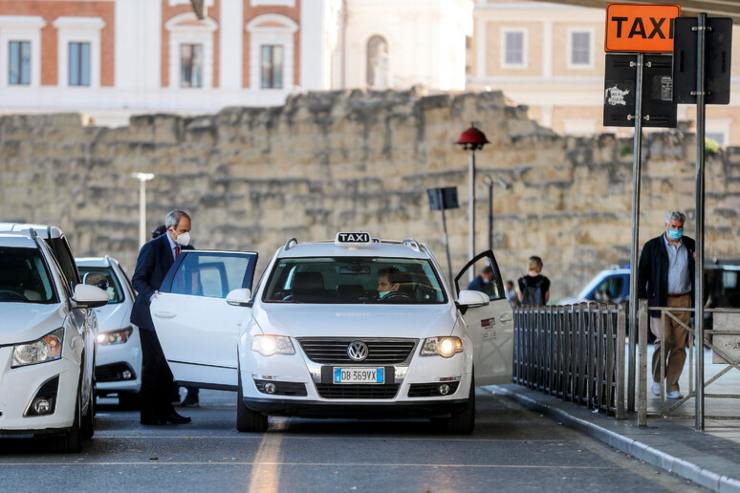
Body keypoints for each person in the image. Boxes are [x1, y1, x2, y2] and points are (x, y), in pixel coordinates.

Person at [131, 209, 194, 425]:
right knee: (153, 364)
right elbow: (138, 279)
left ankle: (167, 410)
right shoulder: (153, 248)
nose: (187, 235)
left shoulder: (187, 251)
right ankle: (148, 414)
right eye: (184, 230)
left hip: (173, 317)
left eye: (189, 230)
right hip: (150, 316)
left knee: (168, 365)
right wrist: (152, 295)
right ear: (171, 229)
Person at [638, 211, 695, 400]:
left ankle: (672, 385)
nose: (677, 230)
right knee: (664, 340)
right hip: (660, 300)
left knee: (679, 345)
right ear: (666, 226)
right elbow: (642, 275)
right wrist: (642, 299)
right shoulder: (652, 247)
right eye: (673, 226)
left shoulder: (690, 245)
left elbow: (698, 271)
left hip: (683, 299)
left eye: (680, 227)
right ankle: (656, 377)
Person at [150, 223, 200, 408]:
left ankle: (192, 392)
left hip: (185, 305)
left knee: (188, 351)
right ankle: (172, 393)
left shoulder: (187, 251)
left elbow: (195, 279)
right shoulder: (158, 253)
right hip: (167, 307)